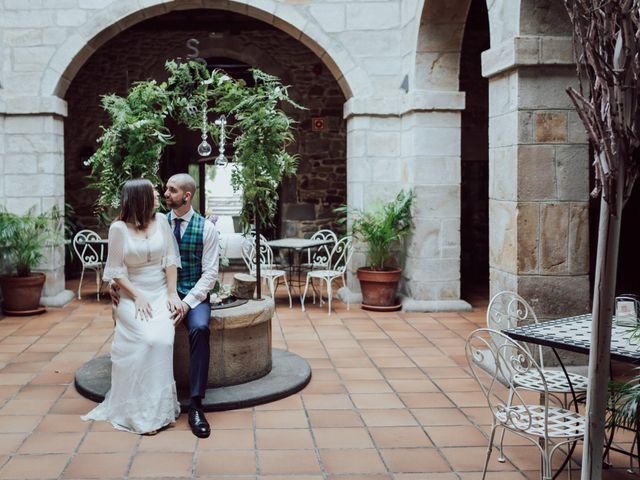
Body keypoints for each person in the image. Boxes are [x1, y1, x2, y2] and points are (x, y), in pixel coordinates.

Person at [111, 173, 219, 438]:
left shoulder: (207, 229)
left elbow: (210, 275)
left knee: (200, 329)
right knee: (150, 337)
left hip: (190, 295)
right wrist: (113, 283)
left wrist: (185, 302)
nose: (165, 194)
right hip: (155, 292)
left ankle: (195, 405)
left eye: (171, 190)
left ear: (187, 196)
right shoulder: (159, 220)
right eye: (163, 191)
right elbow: (119, 263)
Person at [82, 179, 182, 435]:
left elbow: (170, 259)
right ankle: (138, 413)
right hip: (131, 293)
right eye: (153, 193)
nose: (159, 195)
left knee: (163, 340)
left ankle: (160, 410)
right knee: (147, 339)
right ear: (140, 199)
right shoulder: (118, 229)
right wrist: (136, 295)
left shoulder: (161, 221)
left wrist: (172, 293)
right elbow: (115, 271)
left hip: (160, 291)